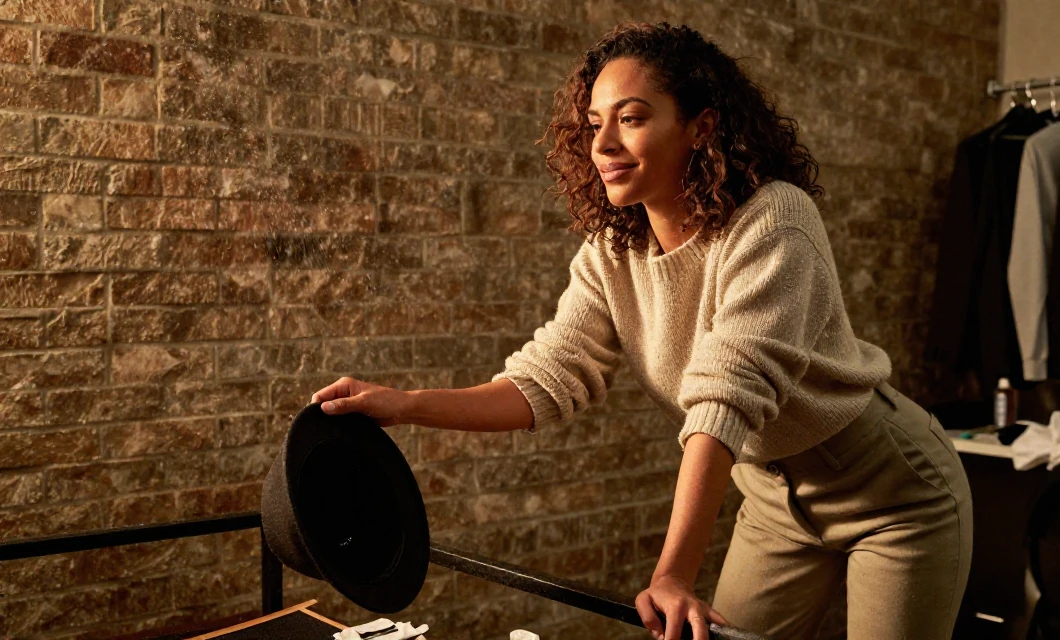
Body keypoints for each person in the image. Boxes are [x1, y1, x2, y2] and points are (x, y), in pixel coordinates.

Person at [311, 22, 973, 640]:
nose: (602, 145)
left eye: (630, 119)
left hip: (893, 495)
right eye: (595, 124)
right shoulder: (611, 254)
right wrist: (405, 406)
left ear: (700, 126)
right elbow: (547, 379)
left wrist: (673, 574)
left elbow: (726, 398)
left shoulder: (775, 222)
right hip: (771, 501)